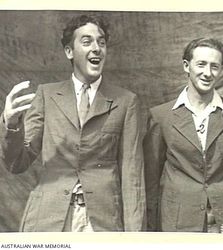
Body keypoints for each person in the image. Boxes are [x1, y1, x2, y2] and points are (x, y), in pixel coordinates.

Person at [0, 14, 146, 232]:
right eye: (87, 42)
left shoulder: (126, 102)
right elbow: (16, 164)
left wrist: (135, 238)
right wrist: (11, 125)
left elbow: (132, 177)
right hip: (47, 219)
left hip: (102, 222)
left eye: (102, 42)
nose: (97, 48)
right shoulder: (47, 95)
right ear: (69, 51)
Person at [144, 37, 223, 233]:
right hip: (176, 224)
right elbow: (150, 184)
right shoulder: (161, 116)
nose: (208, 73)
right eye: (201, 64)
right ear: (186, 65)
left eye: (215, 66)